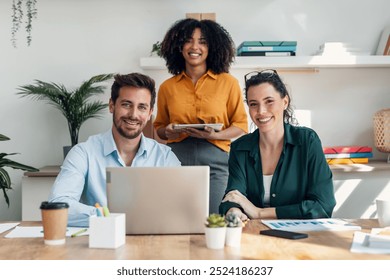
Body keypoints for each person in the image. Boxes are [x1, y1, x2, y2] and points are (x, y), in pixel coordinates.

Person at [49, 73, 181, 227]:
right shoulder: (83, 153)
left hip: (150, 243)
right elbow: (58, 205)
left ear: (150, 112)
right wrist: (108, 217)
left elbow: (180, 207)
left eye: (142, 107)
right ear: (112, 105)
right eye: (126, 104)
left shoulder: (165, 157)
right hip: (100, 243)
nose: (133, 114)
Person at [153, 18, 248, 214]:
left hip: (216, 163)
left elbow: (240, 125)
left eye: (203, 41)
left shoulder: (228, 83)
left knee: (213, 219)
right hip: (176, 161)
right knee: (176, 219)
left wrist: (212, 135)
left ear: (212, 47)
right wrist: (168, 131)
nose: (195, 46)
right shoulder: (167, 87)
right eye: (189, 40)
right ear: (179, 46)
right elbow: (159, 129)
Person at [219, 69, 336, 221]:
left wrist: (259, 213)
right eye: (254, 104)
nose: (261, 111)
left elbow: (323, 206)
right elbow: (234, 196)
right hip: (253, 233)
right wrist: (234, 211)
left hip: (300, 235)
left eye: (269, 101)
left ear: (285, 102)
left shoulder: (307, 141)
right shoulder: (240, 148)